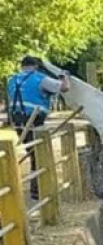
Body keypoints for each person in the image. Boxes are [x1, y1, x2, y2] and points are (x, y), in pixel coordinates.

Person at [6, 56, 70, 197]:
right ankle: (37, 190)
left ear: (22, 66)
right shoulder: (39, 78)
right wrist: (64, 76)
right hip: (34, 120)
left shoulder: (12, 80)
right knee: (39, 153)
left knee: (33, 151)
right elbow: (65, 87)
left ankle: (37, 188)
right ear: (36, 66)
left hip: (17, 120)